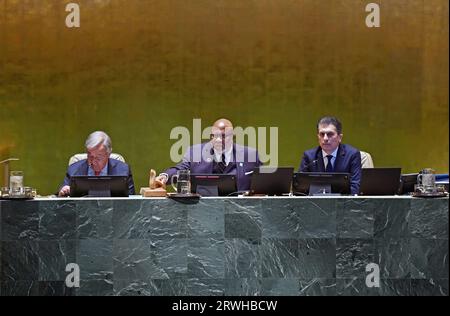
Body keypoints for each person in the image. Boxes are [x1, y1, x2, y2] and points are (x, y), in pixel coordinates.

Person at [155, 118, 262, 192]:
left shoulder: (250, 155)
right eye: (214, 136)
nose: (218, 140)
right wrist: (164, 177)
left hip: (242, 211)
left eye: (223, 136)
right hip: (204, 209)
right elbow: (181, 169)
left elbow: (264, 179)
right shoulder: (195, 153)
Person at [58, 131, 135, 196]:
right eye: (90, 156)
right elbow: (61, 200)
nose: (93, 161)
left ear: (108, 154)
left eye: (98, 157)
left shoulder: (123, 170)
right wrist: (63, 192)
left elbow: (132, 201)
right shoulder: (74, 170)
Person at [299, 116, 361, 195]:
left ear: (340, 137)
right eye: (322, 134)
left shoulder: (352, 155)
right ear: (318, 136)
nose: (325, 138)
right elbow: (300, 188)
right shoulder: (309, 156)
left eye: (330, 134)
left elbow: (355, 187)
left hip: (343, 204)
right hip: (315, 204)